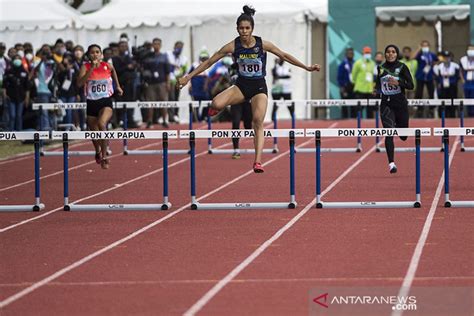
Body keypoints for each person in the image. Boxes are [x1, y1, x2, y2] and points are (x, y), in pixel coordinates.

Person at [178, 5, 320, 173]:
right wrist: (189, 76)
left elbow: (284, 55)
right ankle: (216, 109)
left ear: (252, 29)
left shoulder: (262, 44)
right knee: (215, 103)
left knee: (257, 121)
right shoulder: (233, 46)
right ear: (237, 29)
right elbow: (209, 62)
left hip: (259, 87)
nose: (244, 31)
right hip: (241, 86)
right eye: (241, 28)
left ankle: (258, 161)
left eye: (247, 28)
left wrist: (306, 67)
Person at [77, 44, 123, 169]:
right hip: (92, 102)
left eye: (97, 52)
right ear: (88, 55)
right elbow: (80, 83)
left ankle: (104, 155)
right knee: (94, 132)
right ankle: (97, 150)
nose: (95, 54)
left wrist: (117, 86)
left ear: (101, 54)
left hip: (105, 101)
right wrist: (91, 69)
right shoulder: (85, 67)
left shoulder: (107, 65)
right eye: (92, 52)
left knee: (102, 124)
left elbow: (113, 73)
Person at [374, 44, 414, 174]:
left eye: (393, 52)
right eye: (388, 52)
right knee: (389, 133)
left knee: (403, 136)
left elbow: (411, 85)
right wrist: (376, 90)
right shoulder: (380, 68)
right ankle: (391, 163)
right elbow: (378, 84)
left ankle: (398, 124)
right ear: (385, 54)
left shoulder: (402, 67)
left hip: (400, 105)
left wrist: (398, 83)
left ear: (396, 54)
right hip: (386, 105)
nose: (390, 54)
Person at [3, 54, 30, 131]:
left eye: (19, 59)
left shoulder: (24, 72)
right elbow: (4, 85)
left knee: (19, 116)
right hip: (10, 96)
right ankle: (11, 132)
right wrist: (4, 94)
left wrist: (27, 97)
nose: (17, 60)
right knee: (12, 115)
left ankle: (19, 131)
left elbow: (27, 87)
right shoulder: (8, 71)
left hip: (21, 97)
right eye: (15, 58)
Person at [433, 50, 460, 118]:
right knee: (443, 101)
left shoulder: (455, 66)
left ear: (451, 58)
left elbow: (457, 76)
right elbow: (437, 77)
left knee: (452, 101)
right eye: (445, 57)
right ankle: (442, 115)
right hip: (443, 86)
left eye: (448, 57)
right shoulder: (439, 66)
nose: (447, 59)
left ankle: (452, 115)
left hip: (452, 86)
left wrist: (453, 82)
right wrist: (439, 83)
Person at [352, 46, 376, 118]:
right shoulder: (358, 63)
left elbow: (374, 75)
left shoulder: (373, 63)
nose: (367, 54)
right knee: (359, 109)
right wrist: (356, 83)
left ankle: (369, 126)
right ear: (363, 53)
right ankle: (358, 124)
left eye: (368, 52)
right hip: (360, 89)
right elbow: (354, 75)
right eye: (366, 52)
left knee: (370, 109)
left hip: (369, 89)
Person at [270, 58, 293, 122]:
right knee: (276, 104)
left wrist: (279, 77)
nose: (281, 61)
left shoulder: (287, 67)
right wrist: (275, 64)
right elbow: (274, 74)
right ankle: (273, 118)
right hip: (277, 89)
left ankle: (293, 117)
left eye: (282, 59)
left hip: (286, 89)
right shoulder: (275, 67)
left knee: (289, 104)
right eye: (280, 59)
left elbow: (288, 76)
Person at [337, 47, 355, 118]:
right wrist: (342, 87)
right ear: (346, 54)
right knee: (345, 105)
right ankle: (344, 121)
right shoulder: (342, 64)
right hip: (345, 87)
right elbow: (339, 77)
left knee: (354, 105)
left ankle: (354, 121)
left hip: (353, 87)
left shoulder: (355, 63)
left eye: (351, 53)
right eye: (349, 53)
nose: (350, 54)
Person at [459, 45, 474, 117]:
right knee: (467, 98)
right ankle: (469, 114)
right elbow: (460, 70)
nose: (471, 51)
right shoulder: (463, 59)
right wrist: (462, 79)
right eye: (469, 49)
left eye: (472, 49)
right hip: (466, 82)